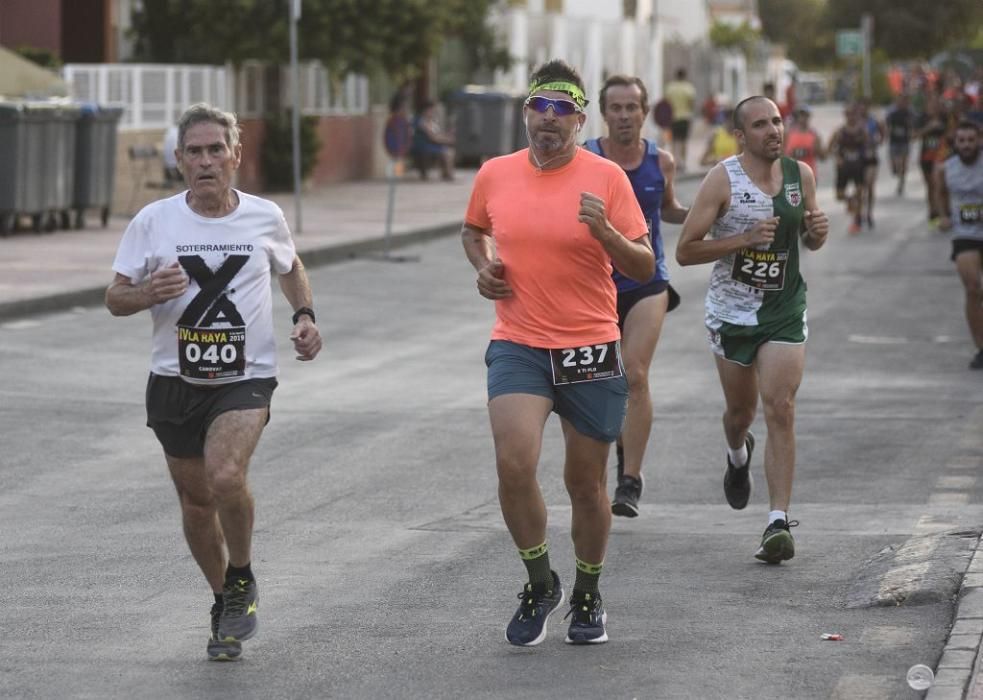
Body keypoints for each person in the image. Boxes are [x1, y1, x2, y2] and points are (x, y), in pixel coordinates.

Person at [104, 103, 323, 661]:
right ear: (179, 160)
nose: (206, 161)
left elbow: (290, 266)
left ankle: (243, 575)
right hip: (173, 381)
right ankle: (224, 598)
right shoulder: (153, 221)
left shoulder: (263, 216)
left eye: (216, 150)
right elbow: (114, 297)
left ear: (236, 156)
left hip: (244, 378)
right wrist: (148, 293)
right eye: (194, 152)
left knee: (226, 475)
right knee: (197, 503)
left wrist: (304, 317)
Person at [460, 59, 653, 646]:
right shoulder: (495, 172)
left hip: (590, 346)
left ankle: (588, 590)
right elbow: (473, 230)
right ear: (526, 114)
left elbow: (643, 266)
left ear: (579, 118)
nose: (549, 121)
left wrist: (608, 235)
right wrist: (484, 266)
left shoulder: (608, 178)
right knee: (514, 464)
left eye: (562, 111)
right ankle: (540, 580)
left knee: (585, 483)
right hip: (518, 340)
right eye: (540, 110)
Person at [675, 95, 829, 564]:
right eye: (760, 124)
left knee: (780, 406)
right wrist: (742, 239)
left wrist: (816, 233)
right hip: (732, 313)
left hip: (783, 308)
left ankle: (777, 523)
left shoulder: (800, 177)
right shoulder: (723, 179)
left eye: (777, 121)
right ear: (740, 136)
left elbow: (807, 237)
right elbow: (686, 250)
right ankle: (737, 455)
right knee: (739, 414)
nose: (773, 131)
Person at [583, 75, 689, 518]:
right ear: (604, 113)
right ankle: (621, 454)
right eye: (616, 108)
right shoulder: (585, 158)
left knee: (635, 373)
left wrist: (716, 215)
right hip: (595, 284)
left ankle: (630, 480)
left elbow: (668, 209)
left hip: (647, 281)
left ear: (645, 112)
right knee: (606, 379)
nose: (625, 115)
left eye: (632, 107)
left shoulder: (660, 161)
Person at [934, 120, 983, 369]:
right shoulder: (947, 169)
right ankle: (981, 348)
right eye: (961, 141)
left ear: (979, 141)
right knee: (973, 287)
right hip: (965, 233)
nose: (966, 145)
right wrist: (943, 215)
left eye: (970, 140)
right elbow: (940, 192)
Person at [828, 103, 871, 234]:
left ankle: (856, 221)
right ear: (845, 115)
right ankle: (850, 200)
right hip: (844, 167)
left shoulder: (862, 131)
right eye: (848, 114)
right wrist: (837, 158)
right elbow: (830, 147)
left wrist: (868, 162)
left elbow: (869, 147)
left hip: (858, 166)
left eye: (853, 114)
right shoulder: (840, 131)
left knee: (859, 193)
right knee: (839, 195)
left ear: (857, 116)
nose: (851, 117)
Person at [918, 97, 948, 224]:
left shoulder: (945, 118)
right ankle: (932, 211)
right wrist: (930, 127)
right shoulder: (922, 119)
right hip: (926, 157)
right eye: (931, 105)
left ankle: (943, 212)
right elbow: (914, 135)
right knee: (930, 186)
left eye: (936, 105)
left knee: (940, 186)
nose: (934, 108)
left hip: (942, 157)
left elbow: (952, 134)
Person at [411, 100, 456, 181]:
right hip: (423, 145)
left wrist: (447, 138)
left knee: (448, 151)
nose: (433, 112)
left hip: (431, 144)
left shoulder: (432, 121)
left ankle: (446, 173)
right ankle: (448, 174)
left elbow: (438, 134)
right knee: (447, 152)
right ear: (425, 110)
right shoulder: (421, 121)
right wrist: (447, 140)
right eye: (431, 110)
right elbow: (432, 137)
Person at [858, 98, 886, 228]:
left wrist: (879, 141)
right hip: (859, 158)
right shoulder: (856, 122)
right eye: (860, 107)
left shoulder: (873, 121)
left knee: (869, 185)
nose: (862, 109)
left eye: (864, 107)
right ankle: (859, 213)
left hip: (872, 158)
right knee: (860, 188)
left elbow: (883, 132)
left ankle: (869, 213)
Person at [664, 68, 696, 172]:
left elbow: (666, 103)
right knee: (684, 141)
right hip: (685, 117)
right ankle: (683, 162)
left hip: (673, 118)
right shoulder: (688, 88)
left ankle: (674, 162)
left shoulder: (670, 88)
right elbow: (691, 103)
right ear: (685, 76)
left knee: (674, 141)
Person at [885, 93, 915, 196]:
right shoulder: (892, 113)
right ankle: (897, 172)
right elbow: (887, 125)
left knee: (903, 164)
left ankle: (901, 184)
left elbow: (912, 126)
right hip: (894, 141)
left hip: (904, 141)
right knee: (896, 165)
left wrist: (911, 134)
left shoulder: (909, 113)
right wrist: (887, 134)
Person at [783, 105, 825, 177]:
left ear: (809, 117)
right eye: (801, 115)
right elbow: (782, 154)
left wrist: (817, 149)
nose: (803, 118)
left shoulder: (814, 135)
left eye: (805, 115)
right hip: (792, 174)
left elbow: (823, 157)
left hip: (809, 174)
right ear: (797, 116)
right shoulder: (788, 134)